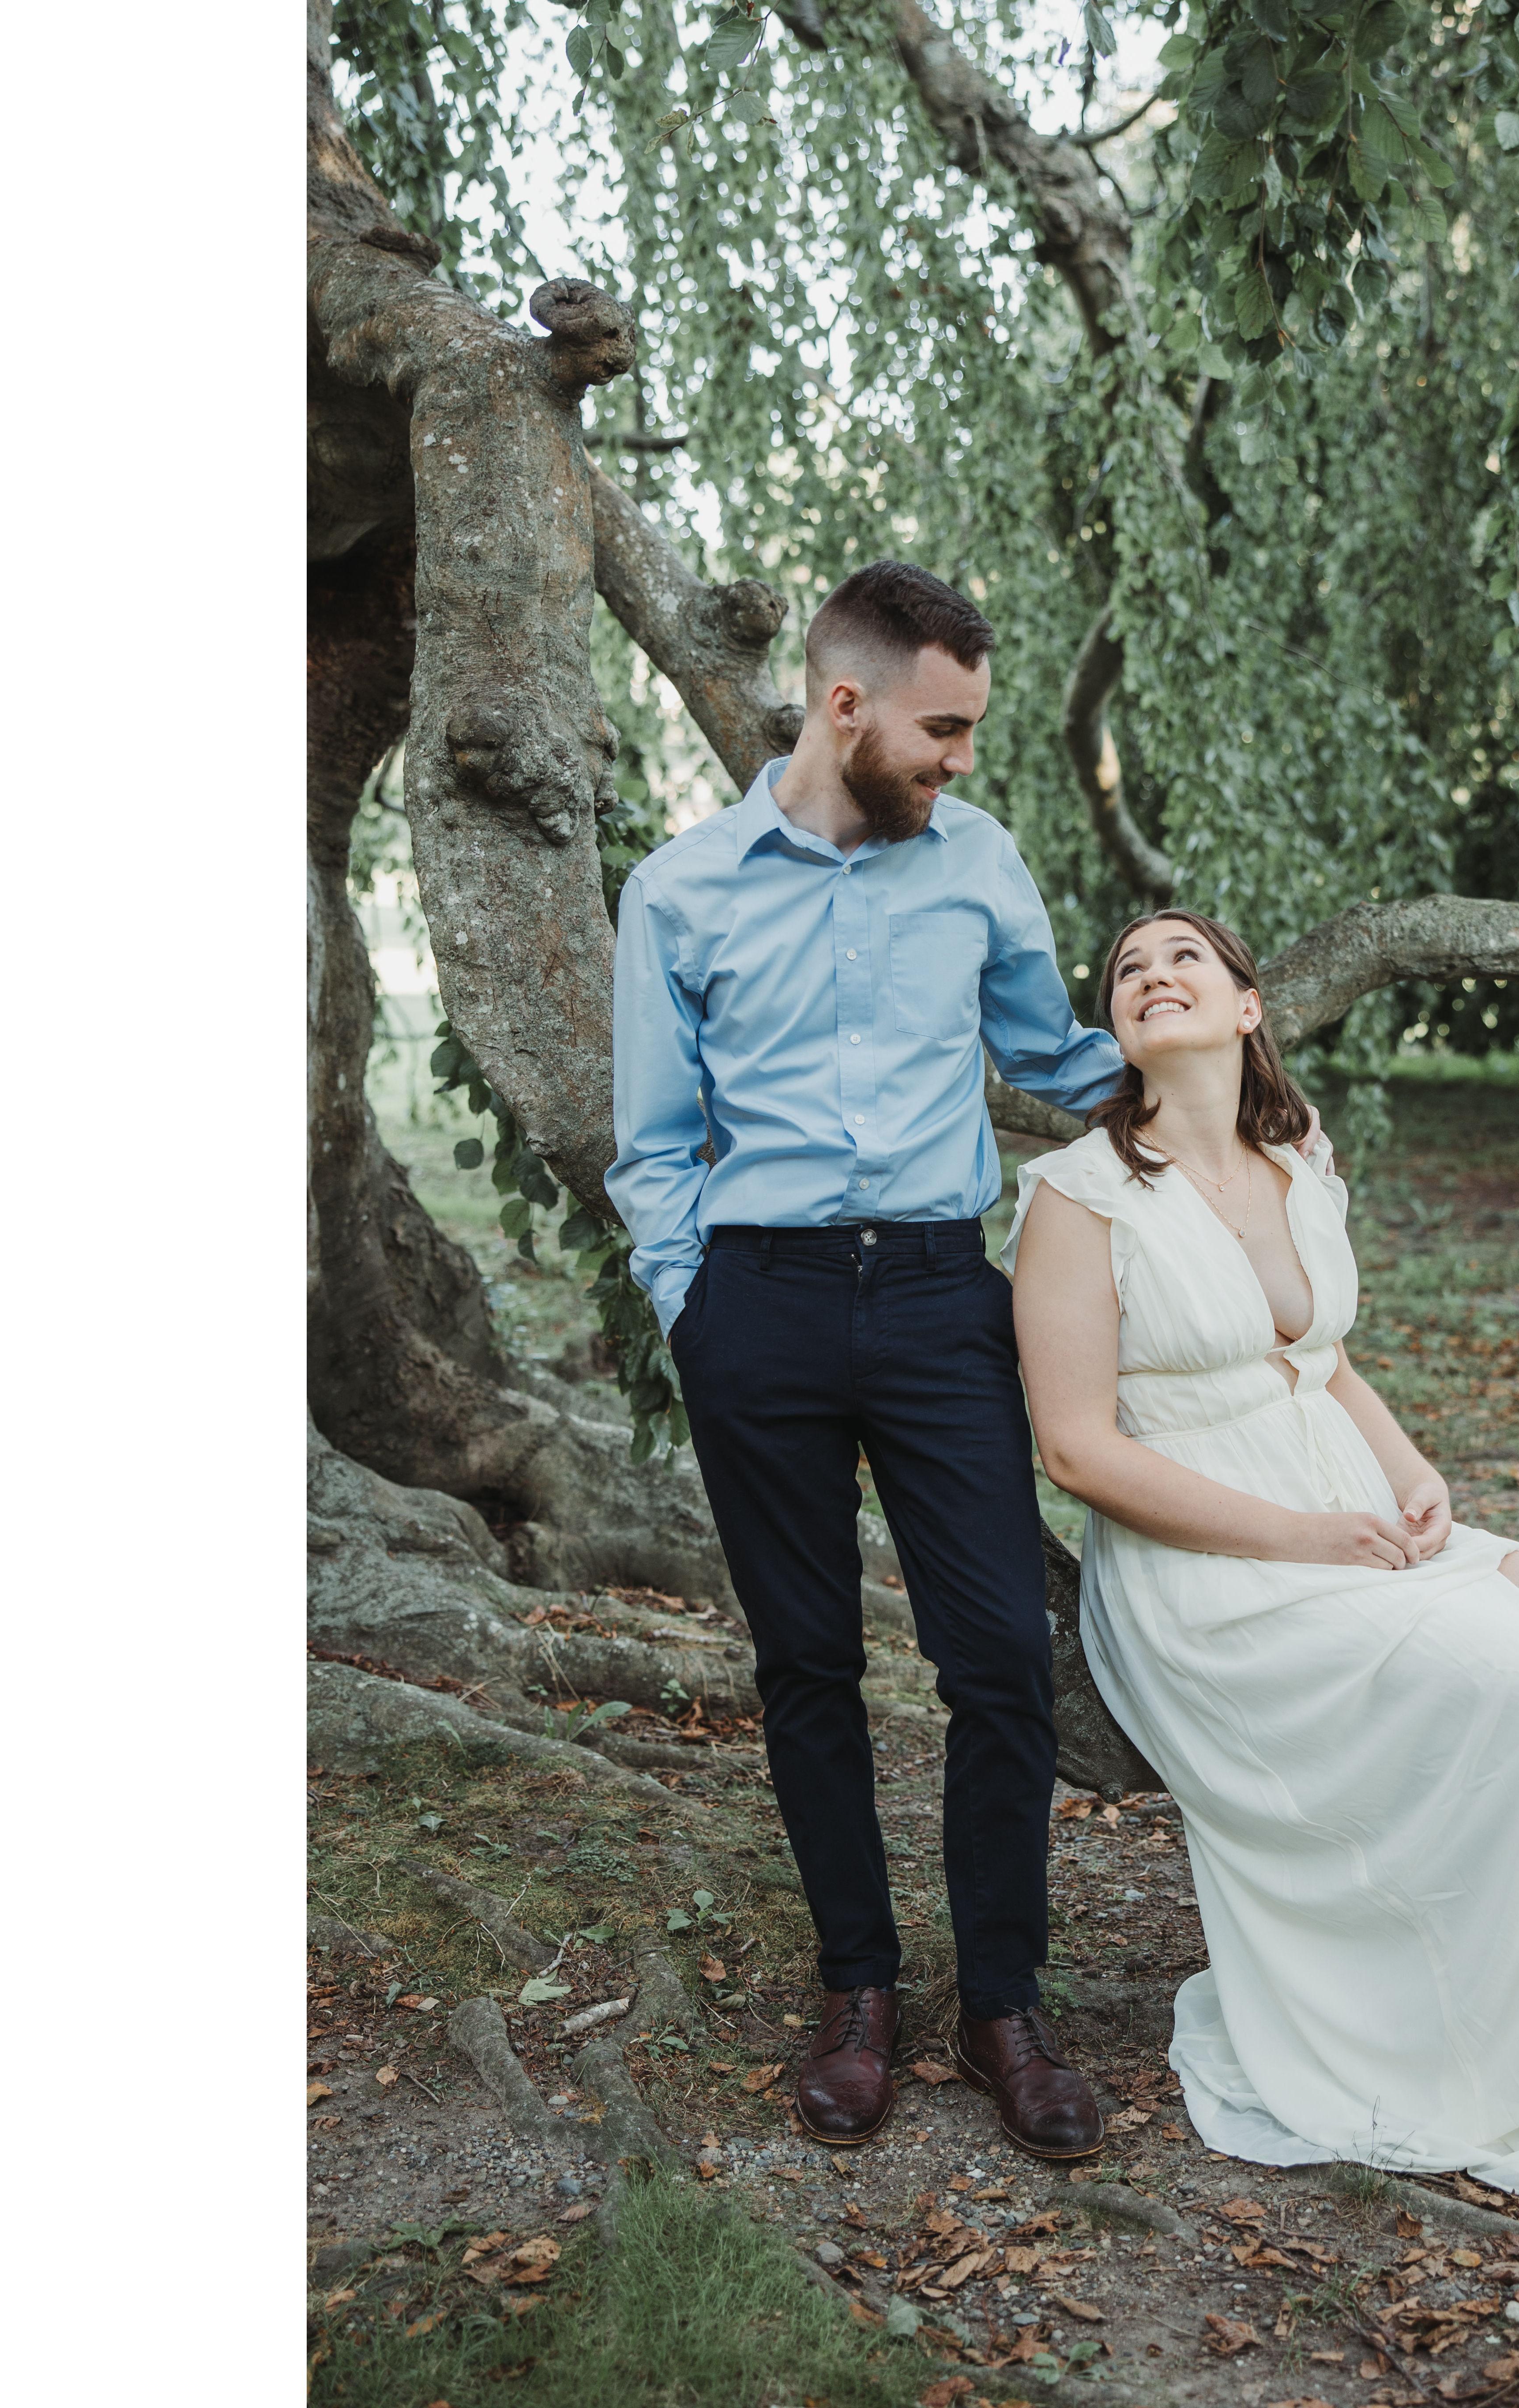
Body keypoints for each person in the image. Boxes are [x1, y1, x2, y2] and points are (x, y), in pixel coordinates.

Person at [1005, 909, 1519, 2190]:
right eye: (1129, 970)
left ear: (1248, 1006)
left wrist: (1414, 1474)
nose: (1153, 975)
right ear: (1120, 1031)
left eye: (1185, 956)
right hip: (1215, 1567)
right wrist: (1307, 1540)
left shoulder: (1298, 1160)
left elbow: (1327, 1364)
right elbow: (1078, 1452)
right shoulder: (1078, 1199)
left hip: (1350, 1511)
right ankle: (1493, 2006)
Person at [607, 561, 1123, 2160]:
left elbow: (1049, 1054)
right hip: (754, 1308)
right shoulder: (680, 892)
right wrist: (694, 1306)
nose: (961, 760)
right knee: (807, 1665)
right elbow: (653, 1142)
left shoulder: (979, 863)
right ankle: (859, 1992)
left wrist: (1211, 1071)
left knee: (1001, 1659)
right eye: (943, 730)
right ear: (847, 707)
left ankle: (1003, 2004)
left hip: (936, 1298)